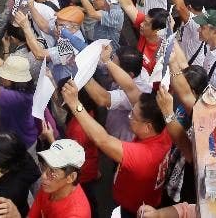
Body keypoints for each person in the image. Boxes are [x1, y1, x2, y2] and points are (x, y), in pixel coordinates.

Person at [60, 80, 171, 217]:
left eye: (133, 116)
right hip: (147, 197)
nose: (129, 118)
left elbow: (102, 140)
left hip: (133, 209)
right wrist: (85, 76)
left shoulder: (144, 155)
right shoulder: (166, 130)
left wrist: (74, 104)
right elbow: (131, 89)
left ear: (148, 127)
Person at [0, 139, 92, 218]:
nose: (43, 176)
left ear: (71, 177)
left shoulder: (75, 214)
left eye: (52, 171)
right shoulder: (50, 187)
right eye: (45, 166)